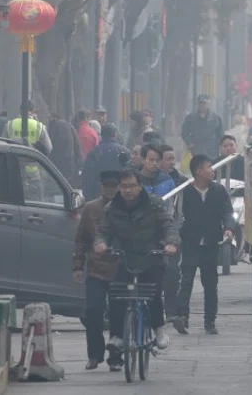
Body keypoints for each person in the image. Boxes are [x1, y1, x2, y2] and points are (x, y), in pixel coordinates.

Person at [94, 168, 179, 351]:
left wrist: (170, 244)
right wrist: (100, 244)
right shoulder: (112, 208)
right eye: (124, 186)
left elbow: (168, 225)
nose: (128, 190)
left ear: (140, 187)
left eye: (132, 186)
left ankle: (159, 328)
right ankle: (116, 335)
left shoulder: (154, 205)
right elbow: (104, 231)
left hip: (151, 256)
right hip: (125, 257)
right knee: (117, 294)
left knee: (153, 293)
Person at [173, 155, 237, 336]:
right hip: (190, 243)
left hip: (211, 242)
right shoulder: (185, 191)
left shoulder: (219, 191)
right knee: (186, 281)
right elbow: (177, 216)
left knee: (210, 283)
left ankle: (210, 321)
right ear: (199, 171)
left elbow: (227, 213)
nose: (213, 170)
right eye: (209, 167)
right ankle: (182, 316)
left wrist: (229, 229)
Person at [72, 169, 122, 371]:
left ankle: (117, 358)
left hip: (121, 268)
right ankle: (94, 355)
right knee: (93, 312)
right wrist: (77, 266)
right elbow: (81, 240)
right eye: (107, 186)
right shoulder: (91, 209)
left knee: (119, 314)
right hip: (96, 268)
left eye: (114, 186)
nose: (110, 190)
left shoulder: (125, 209)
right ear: (102, 187)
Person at [159, 144, 187, 327]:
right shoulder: (143, 181)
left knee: (172, 271)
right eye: (167, 159)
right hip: (150, 234)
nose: (171, 162)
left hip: (173, 231)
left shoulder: (181, 181)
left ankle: (170, 310)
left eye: (172, 159)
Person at [82, 123, 130, 202]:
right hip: (121, 195)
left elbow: (87, 175)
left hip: (99, 195)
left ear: (101, 135)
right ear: (115, 134)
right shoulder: (124, 151)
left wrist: (88, 196)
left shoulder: (94, 153)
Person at [47, 112, 82, 188]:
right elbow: (78, 148)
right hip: (69, 167)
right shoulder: (69, 126)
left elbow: (48, 147)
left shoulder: (52, 128)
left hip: (53, 167)